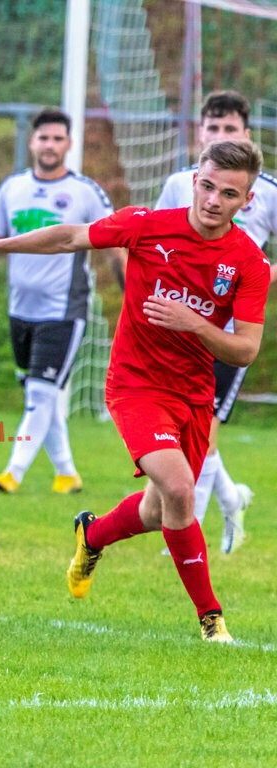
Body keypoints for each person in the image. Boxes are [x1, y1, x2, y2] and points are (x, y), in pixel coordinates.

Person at [0, 140, 269, 642]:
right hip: (135, 385)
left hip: (193, 394)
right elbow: (70, 237)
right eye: (206, 186)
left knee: (159, 509)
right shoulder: (147, 224)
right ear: (194, 181)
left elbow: (245, 350)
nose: (213, 200)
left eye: (228, 194)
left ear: (245, 202)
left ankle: (92, 534)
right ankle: (212, 619)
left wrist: (194, 325)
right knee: (182, 491)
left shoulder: (249, 263)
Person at [0, 108, 122, 495]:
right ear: (32, 142)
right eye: (43, 137)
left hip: (64, 311)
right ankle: (67, 473)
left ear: (69, 144)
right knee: (40, 396)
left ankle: (12, 473)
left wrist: (130, 293)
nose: (49, 145)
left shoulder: (86, 192)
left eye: (57, 138)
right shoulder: (13, 188)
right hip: (20, 310)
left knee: (40, 393)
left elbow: (115, 248)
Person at [155, 90, 277, 554]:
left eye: (231, 129)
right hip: (177, 323)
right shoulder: (178, 184)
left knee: (203, 427)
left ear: (246, 135)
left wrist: (258, 278)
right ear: (200, 133)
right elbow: (155, 241)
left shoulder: (264, 190)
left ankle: (188, 531)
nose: (222, 135)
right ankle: (233, 498)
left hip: (228, 330)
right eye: (214, 128)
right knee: (184, 426)